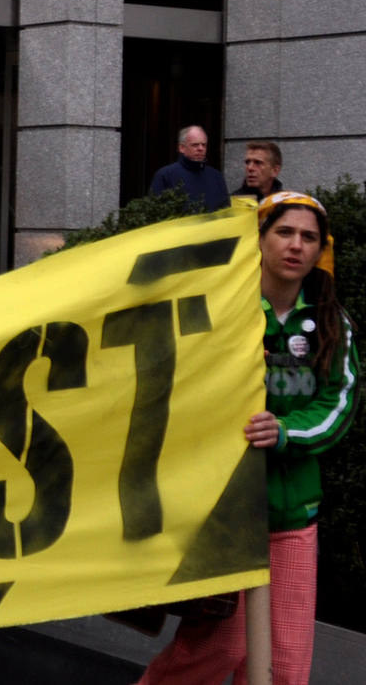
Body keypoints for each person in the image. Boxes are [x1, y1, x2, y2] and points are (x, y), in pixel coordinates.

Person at [135, 191, 356, 685]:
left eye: (309, 237)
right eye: (284, 232)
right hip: (223, 512)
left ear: (320, 250)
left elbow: (338, 403)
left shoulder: (330, 321)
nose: (296, 245)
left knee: (286, 666)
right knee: (217, 650)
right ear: (258, 238)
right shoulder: (220, 310)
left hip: (293, 519)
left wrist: (285, 432)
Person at [148, 125, 229, 212]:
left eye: (204, 145)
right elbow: (154, 211)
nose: (201, 148)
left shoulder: (216, 176)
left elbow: (226, 209)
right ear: (182, 148)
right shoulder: (165, 175)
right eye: (195, 145)